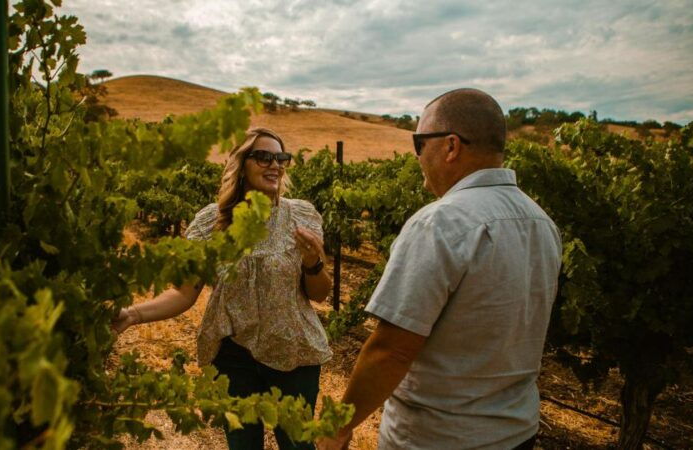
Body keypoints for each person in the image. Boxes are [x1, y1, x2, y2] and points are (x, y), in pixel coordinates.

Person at [318, 89, 562, 450]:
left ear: (451, 146)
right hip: (516, 434)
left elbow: (392, 350)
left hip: (437, 438)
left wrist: (339, 426)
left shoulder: (441, 222)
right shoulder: (542, 223)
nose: (417, 156)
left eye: (420, 143)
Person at [113, 127, 333, 450]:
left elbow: (319, 293)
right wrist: (132, 315)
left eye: (281, 158)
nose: (275, 165)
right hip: (234, 356)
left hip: (293, 353)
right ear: (241, 164)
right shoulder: (209, 224)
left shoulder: (300, 216)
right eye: (263, 157)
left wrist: (314, 262)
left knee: (299, 446)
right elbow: (185, 293)